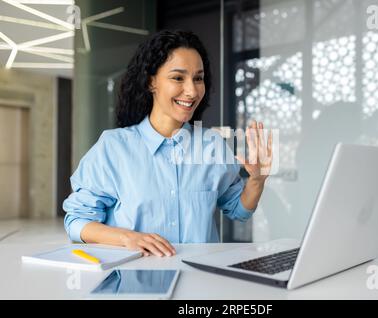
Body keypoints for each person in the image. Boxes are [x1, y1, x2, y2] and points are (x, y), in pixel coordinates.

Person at [63, 30, 272, 258]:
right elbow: (77, 221)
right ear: (151, 81)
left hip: (201, 281)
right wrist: (128, 238)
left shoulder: (212, 145)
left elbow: (237, 210)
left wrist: (257, 181)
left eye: (198, 78)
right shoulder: (114, 148)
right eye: (178, 78)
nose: (192, 91)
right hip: (136, 283)